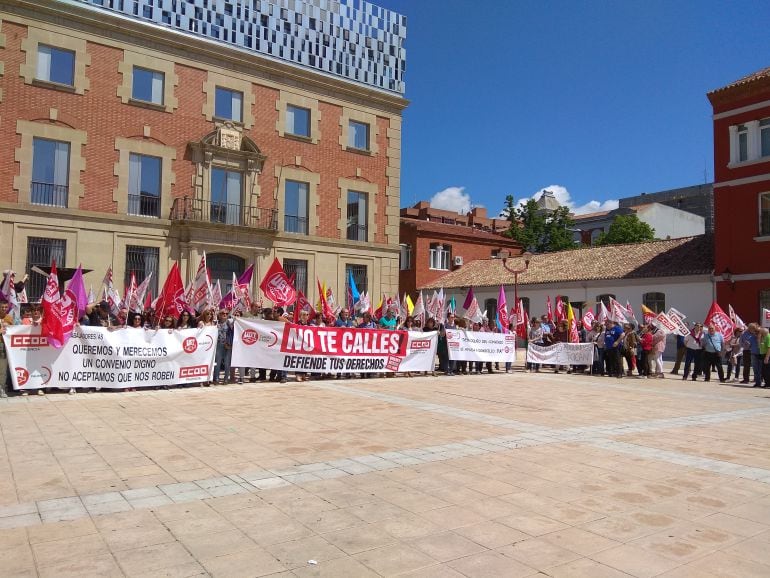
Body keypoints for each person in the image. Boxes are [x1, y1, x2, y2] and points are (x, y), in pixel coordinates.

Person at [213, 310, 233, 384]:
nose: (225, 314)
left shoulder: (229, 323)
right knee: (217, 362)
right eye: (223, 313)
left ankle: (226, 378)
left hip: (228, 344)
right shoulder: (215, 323)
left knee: (227, 363)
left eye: (226, 313)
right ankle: (216, 378)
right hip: (219, 344)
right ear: (219, 315)